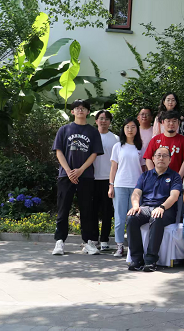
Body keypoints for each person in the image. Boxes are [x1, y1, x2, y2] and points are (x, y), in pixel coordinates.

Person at [52, 99, 104, 256]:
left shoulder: (93, 132)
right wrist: (69, 171)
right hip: (65, 176)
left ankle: (88, 242)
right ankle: (59, 242)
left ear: (88, 112)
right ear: (72, 111)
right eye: (77, 108)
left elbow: (94, 153)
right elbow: (59, 151)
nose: (80, 110)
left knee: (87, 210)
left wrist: (80, 170)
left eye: (83, 108)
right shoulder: (64, 129)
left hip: (85, 176)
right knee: (63, 209)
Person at [126, 147, 182, 271]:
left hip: (166, 209)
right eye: (158, 155)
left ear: (170, 160)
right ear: (153, 158)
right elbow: (136, 193)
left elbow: (174, 196)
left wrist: (162, 207)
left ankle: (150, 260)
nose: (161, 158)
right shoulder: (145, 175)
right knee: (131, 218)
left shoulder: (175, 176)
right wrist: (135, 206)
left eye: (165, 156)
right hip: (146, 207)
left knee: (156, 218)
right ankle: (136, 259)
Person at [108, 118, 143, 257]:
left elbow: (144, 168)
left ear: (137, 129)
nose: (130, 130)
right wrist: (111, 185)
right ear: (123, 129)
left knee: (133, 218)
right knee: (119, 217)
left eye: (133, 127)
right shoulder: (118, 146)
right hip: (120, 185)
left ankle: (132, 246)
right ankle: (119, 246)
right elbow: (113, 168)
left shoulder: (141, 147)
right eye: (127, 127)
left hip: (136, 187)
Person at [93, 110, 119, 251]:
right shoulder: (91, 136)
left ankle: (104, 240)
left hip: (108, 180)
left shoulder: (115, 138)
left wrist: (113, 182)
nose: (104, 121)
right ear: (96, 120)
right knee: (92, 211)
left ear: (110, 122)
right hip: (91, 178)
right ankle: (93, 239)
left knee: (107, 211)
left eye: (107, 119)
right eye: (101, 118)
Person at [143, 111, 184, 179]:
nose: (171, 123)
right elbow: (148, 158)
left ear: (178, 123)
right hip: (158, 179)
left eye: (174, 121)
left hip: (176, 179)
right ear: (163, 122)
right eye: (168, 121)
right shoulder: (155, 139)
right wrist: (154, 176)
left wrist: (178, 178)